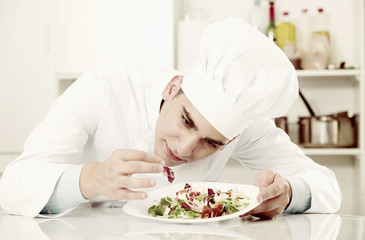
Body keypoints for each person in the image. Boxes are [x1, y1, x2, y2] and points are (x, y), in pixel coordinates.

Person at [0, 17, 341, 218]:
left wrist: (288, 194)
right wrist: (90, 179)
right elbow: (13, 184)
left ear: (233, 139)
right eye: (187, 121)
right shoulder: (103, 87)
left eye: (212, 142)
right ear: (172, 88)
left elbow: (326, 185)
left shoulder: (244, 124)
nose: (186, 147)